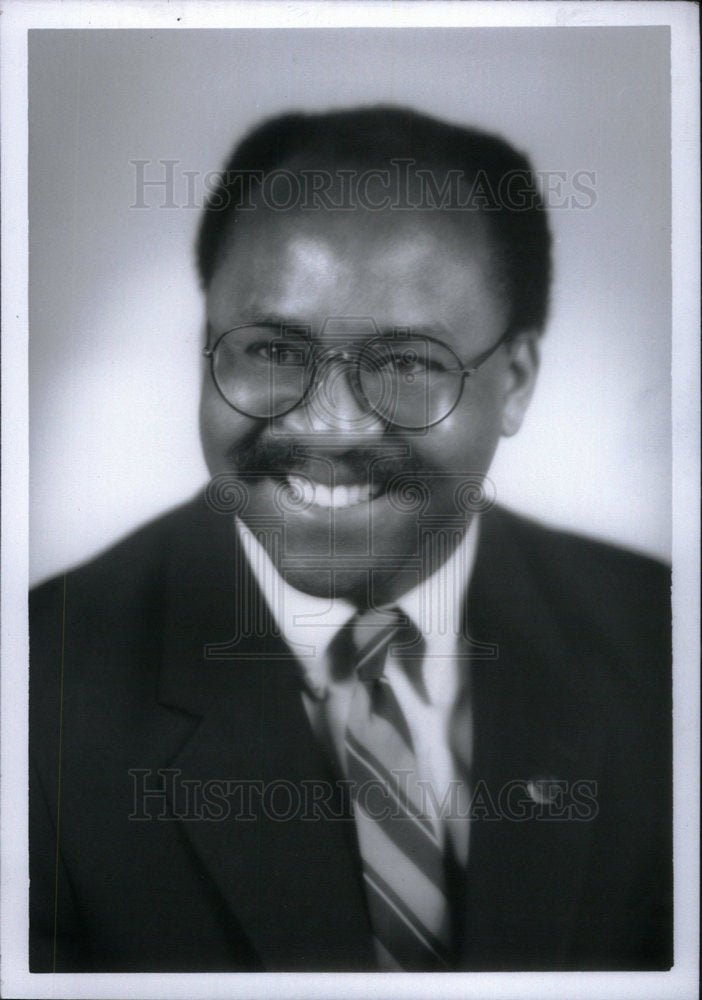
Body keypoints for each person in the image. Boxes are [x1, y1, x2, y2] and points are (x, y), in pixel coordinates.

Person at [29, 106, 672, 973]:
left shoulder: (663, 648)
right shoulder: (35, 695)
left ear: (514, 382)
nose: (329, 428)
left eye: (405, 363)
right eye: (271, 351)